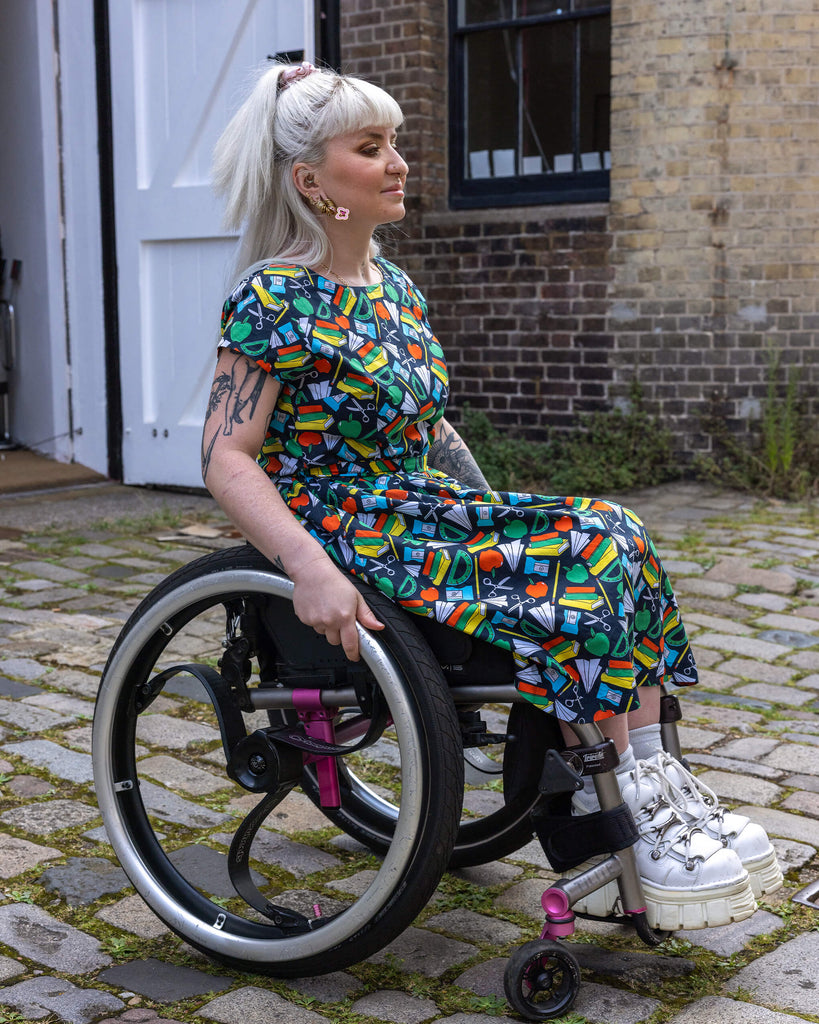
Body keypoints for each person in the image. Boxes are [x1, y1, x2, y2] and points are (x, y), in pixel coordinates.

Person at [202, 60, 782, 930]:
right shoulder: (273, 296)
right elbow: (225, 455)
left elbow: (432, 431)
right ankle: (609, 811)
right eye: (372, 146)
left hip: (418, 510)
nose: (398, 162)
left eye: (395, 142)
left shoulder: (391, 291)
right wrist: (305, 566)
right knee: (576, 562)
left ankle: (657, 792)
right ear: (310, 181)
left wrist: (497, 511)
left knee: (609, 528)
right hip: (344, 528)